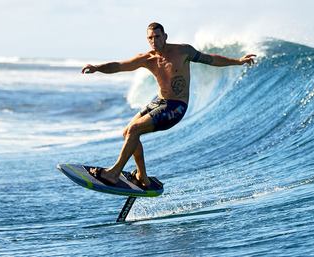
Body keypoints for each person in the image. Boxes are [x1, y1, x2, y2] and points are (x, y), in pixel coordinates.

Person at [81, 22, 256, 189]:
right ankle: (142, 177)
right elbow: (119, 66)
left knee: (134, 129)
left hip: (176, 106)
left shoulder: (182, 51)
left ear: (165, 36)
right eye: (150, 38)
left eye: (157, 37)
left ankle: (113, 172)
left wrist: (238, 61)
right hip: (159, 101)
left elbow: (210, 59)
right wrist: (97, 67)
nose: (154, 41)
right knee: (127, 132)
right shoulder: (147, 59)